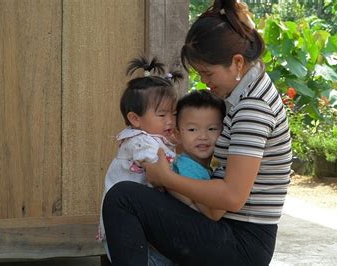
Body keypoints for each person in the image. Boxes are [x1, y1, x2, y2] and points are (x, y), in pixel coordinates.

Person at [102, 0, 292, 265]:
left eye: (207, 72)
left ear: (237, 63)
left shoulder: (253, 107)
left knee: (123, 199)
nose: (204, 81)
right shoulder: (246, 92)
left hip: (242, 244)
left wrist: (166, 177)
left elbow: (232, 197)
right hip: (230, 231)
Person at [97, 56, 182, 265]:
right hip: (129, 224)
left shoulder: (155, 138)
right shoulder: (141, 142)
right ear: (135, 119)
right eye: (162, 115)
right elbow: (158, 174)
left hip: (141, 221)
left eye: (173, 113)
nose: (170, 120)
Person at [168, 90, 226, 220]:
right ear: (178, 134)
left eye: (212, 129)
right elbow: (213, 213)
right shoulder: (186, 168)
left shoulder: (215, 162)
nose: (203, 137)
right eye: (192, 129)